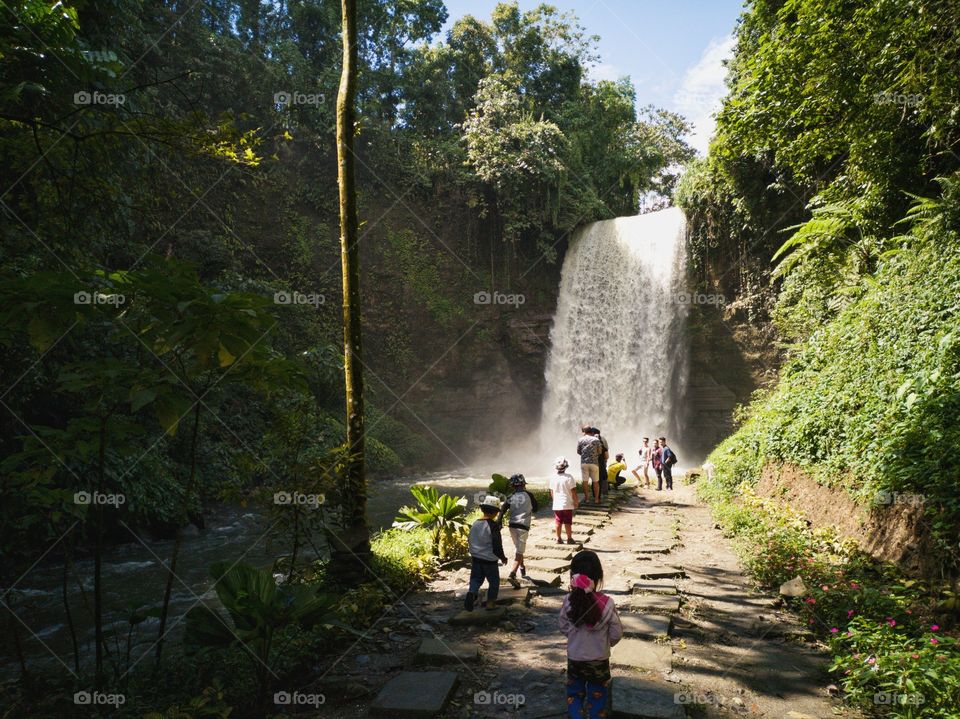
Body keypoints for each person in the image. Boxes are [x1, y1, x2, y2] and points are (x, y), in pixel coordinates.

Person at [558, 550, 623, 718]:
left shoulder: (568, 601)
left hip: (575, 658)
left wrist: (574, 639)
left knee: (574, 694)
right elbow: (616, 633)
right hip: (599, 661)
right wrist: (605, 644)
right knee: (598, 697)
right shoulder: (607, 603)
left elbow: (563, 626)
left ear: (572, 576)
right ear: (599, 577)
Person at [465, 495, 508, 611]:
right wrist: (503, 557)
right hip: (489, 560)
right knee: (494, 582)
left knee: (475, 579)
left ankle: (472, 592)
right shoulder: (493, 526)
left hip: (476, 558)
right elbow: (497, 545)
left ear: (482, 509)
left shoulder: (475, 524)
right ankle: (490, 603)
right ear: (495, 513)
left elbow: (470, 539)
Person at [502, 473, 539, 588]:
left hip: (512, 526)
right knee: (519, 551)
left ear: (513, 486)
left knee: (518, 548)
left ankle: (522, 568)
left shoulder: (511, 497)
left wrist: (498, 522)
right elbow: (536, 508)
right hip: (523, 527)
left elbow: (503, 509)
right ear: (523, 484)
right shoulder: (529, 495)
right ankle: (512, 574)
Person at [550, 456, 579, 545]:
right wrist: (576, 501)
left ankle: (558, 538)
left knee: (558, 521)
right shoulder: (569, 477)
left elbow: (552, 492)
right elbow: (573, 491)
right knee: (568, 522)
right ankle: (569, 538)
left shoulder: (553, 477)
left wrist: (555, 501)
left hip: (557, 504)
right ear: (566, 467)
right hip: (567, 503)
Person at [576, 426, 601, 503]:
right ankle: (596, 499)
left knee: (585, 481)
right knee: (595, 482)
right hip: (594, 463)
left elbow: (578, 451)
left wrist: (585, 455)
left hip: (584, 463)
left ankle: (587, 499)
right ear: (591, 431)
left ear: (584, 431)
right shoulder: (596, 440)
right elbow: (599, 451)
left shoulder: (580, 440)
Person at [592, 427, 609, 499]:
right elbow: (607, 455)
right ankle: (603, 493)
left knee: (594, 480)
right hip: (601, 463)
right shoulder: (603, 440)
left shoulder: (591, 441)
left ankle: (595, 496)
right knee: (602, 478)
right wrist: (605, 461)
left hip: (593, 463)